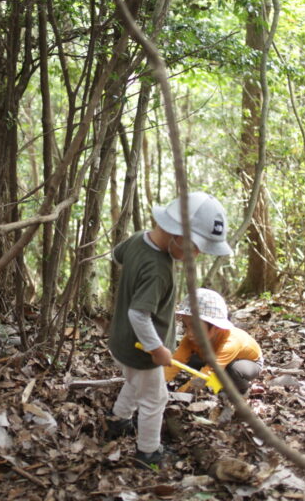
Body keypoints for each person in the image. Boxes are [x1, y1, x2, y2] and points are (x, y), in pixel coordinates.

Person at [106, 192, 232, 469]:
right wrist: (157, 348)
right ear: (176, 234)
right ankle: (148, 453)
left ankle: (117, 420)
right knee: (154, 399)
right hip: (141, 349)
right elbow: (138, 314)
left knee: (134, 382)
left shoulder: (140, 238)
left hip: (121, 341)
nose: (196, 254)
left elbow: (117, 256)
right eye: (195, 246)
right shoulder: (158, 268)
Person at [166, 288, 263, 420]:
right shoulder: (189, 340)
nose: (189, 333)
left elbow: (209, 371)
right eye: (186, 326)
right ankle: (219, 384)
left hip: (247, 363)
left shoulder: (231, 341)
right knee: (190, 361)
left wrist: (178, 395)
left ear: (216, 327)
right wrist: (158, 384)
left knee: (232, 369)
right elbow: (175, 363)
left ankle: (242, 390)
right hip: (212, 358)